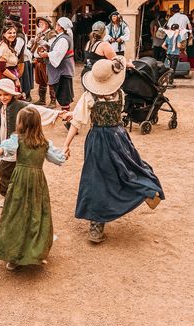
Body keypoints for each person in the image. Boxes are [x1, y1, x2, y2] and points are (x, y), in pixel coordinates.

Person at [63, 57, 164, 243]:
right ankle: (144, 191)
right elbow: (77, 119)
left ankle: (97, 222)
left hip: (101, 140)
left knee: (100, 178)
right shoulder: (119, 94)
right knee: (123, 171)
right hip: (118, 137)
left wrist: (66, 144)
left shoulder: (89, 97)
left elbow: (77, 122)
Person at [0, 107, 66, 271]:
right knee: (36, 215)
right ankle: (35, 252)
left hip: (20, 181)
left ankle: (17, 255)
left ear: (21, 124)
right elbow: (58, 159)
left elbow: (4, 149)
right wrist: (64, 154)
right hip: (37, 183)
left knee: (17, 214)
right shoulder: (44, 144)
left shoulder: (17, 140)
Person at [0, 78, 60, 207]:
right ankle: (16, 196)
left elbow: (39, 111)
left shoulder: (21, 106)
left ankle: (8, 196)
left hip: (17, 145)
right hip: (5, 144)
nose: (3, 97)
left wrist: (58, 114)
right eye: (0, 95)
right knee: (13, 170)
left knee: (5, 169)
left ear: (12, 94)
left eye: (6, 94)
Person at [38, 17, 75, 112]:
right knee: (62, 94)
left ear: (61, 27)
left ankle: (66, 115)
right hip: (62, 71)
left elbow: (58, 53)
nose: (56, 26)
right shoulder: (62, 37)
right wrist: (44, 44)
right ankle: (65, 113)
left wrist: (46, 54)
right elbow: (56, 49)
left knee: (64, 95)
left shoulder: (63, 39)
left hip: (62, 71)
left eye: (58, 24)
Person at [30, 15, 57, 107]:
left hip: (47, 60)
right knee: (41, 81)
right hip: (38, 61)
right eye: (39, 23)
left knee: (50, 80)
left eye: (41, 22)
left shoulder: (52, 34)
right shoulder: (40, 34)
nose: (39, 24)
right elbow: (35, 46)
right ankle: (42, 99)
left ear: (47, 24)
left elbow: (52, 47)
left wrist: (41, 41)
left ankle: (53, 101)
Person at [0, 24, 20, 89]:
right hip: (5, 77)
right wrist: (15, 78)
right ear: (4, 34)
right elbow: (2, 68)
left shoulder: (7, 45)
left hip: (8, 75)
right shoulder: (3, 47)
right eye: (9, 33)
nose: (13, 35)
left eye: (14, 33)